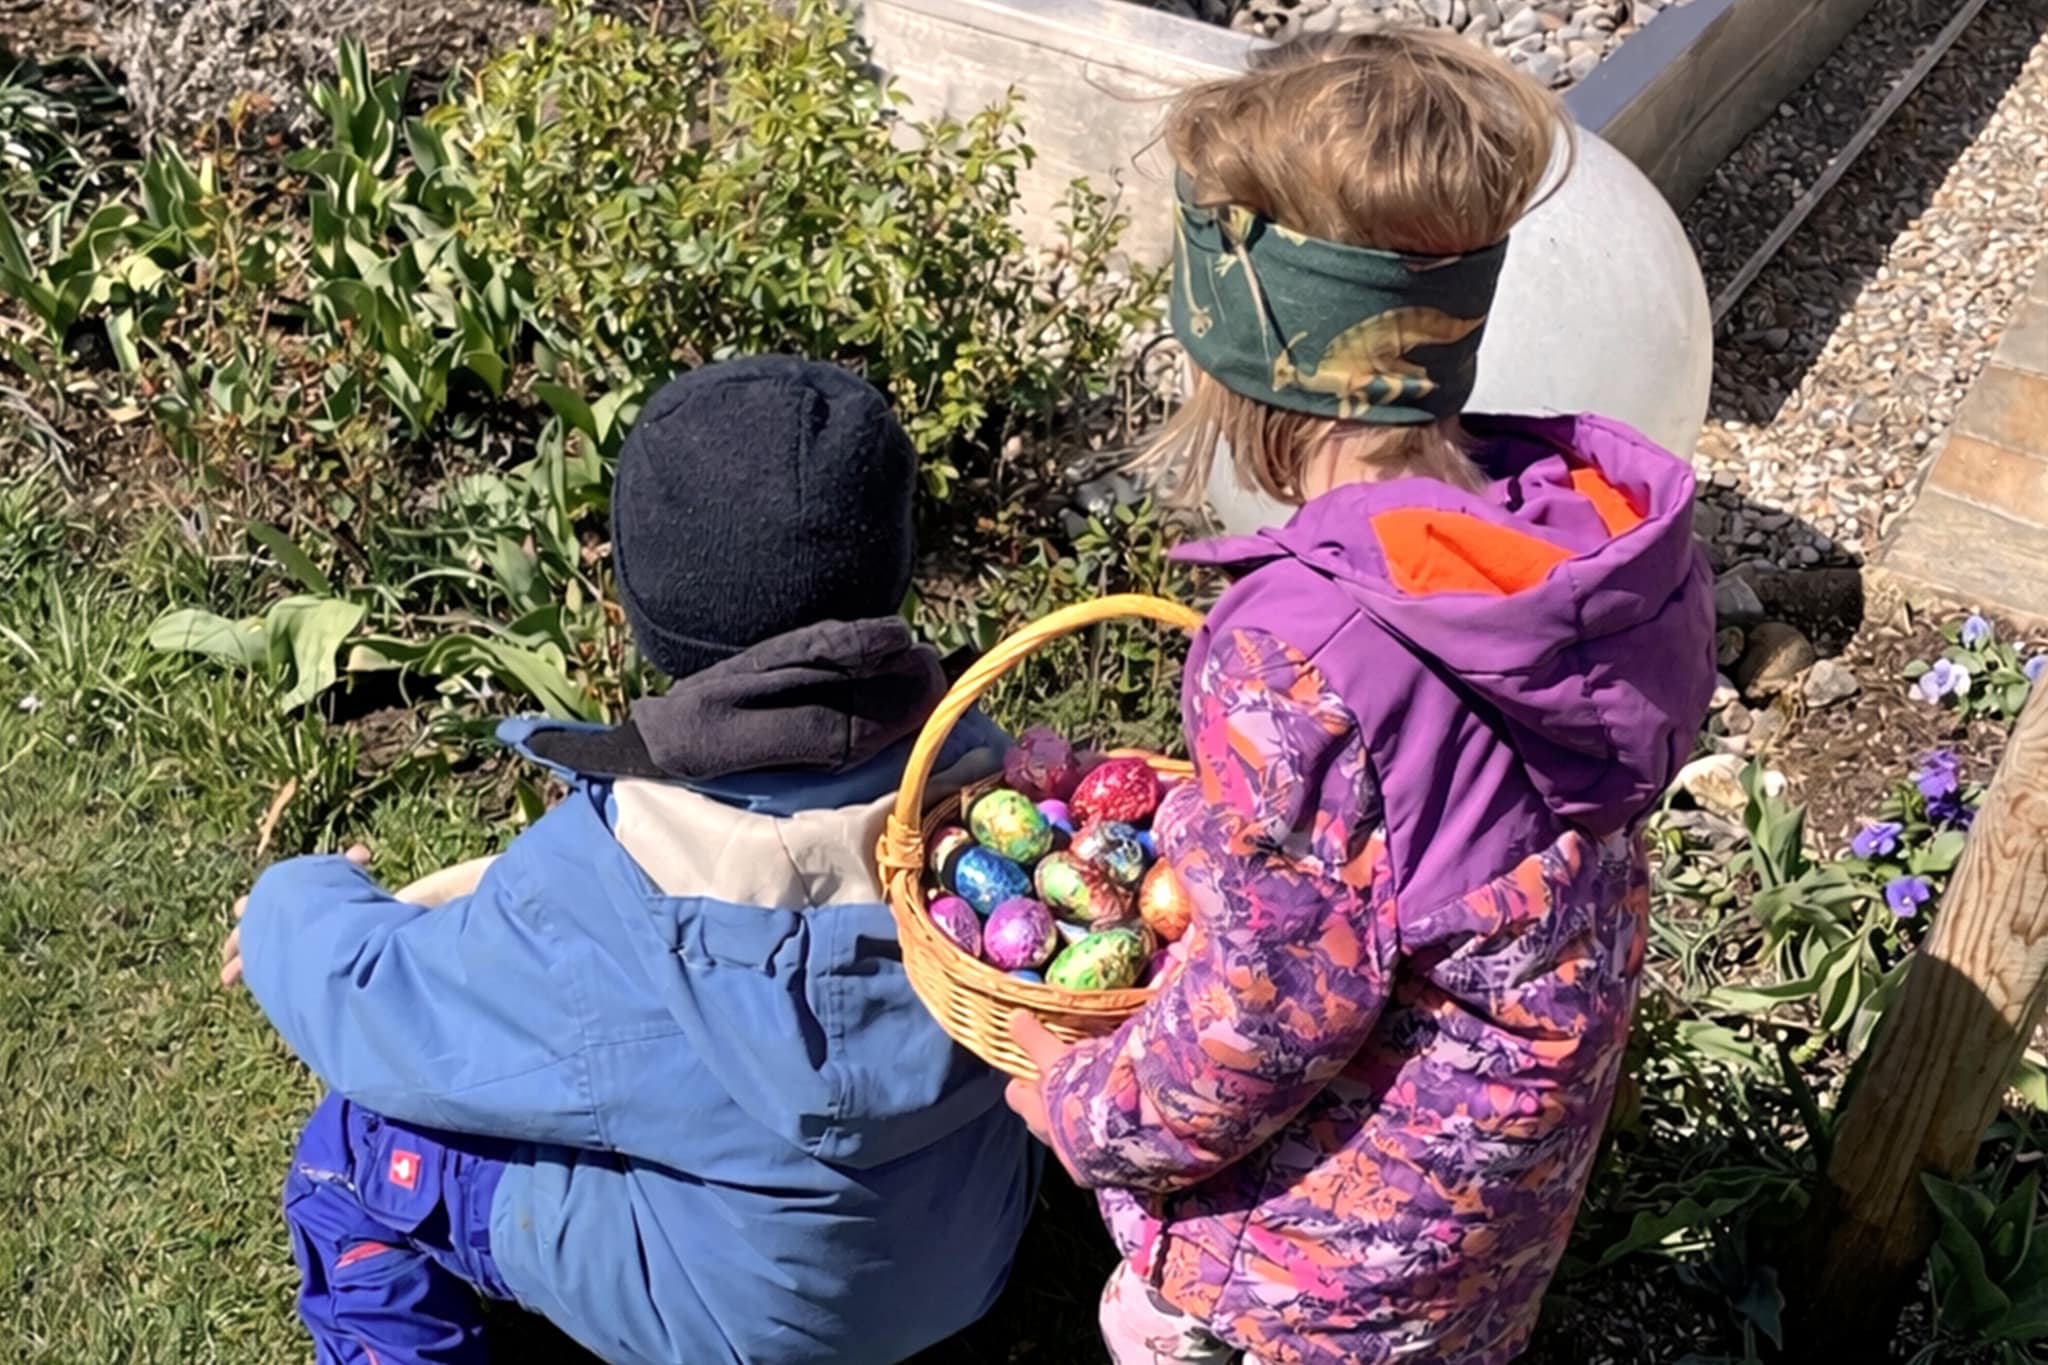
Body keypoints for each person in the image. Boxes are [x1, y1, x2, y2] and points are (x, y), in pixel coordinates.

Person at [1001, 31, 1717, 1365]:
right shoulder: (1574, 544)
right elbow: (1413, 852)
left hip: (1313, 1272)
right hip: (1490, 1196)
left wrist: (1086, 1106)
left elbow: (1266, 1014)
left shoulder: (1301, 652)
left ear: (1244, 347)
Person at [221, 356, 1036, 1365]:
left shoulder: (612, 883)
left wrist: (289, 902)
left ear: (651, 599)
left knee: (350, 1153)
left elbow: (384, 1008)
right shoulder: (997, 796)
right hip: (967, 1261)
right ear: (892, 561)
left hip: (749, 1322)